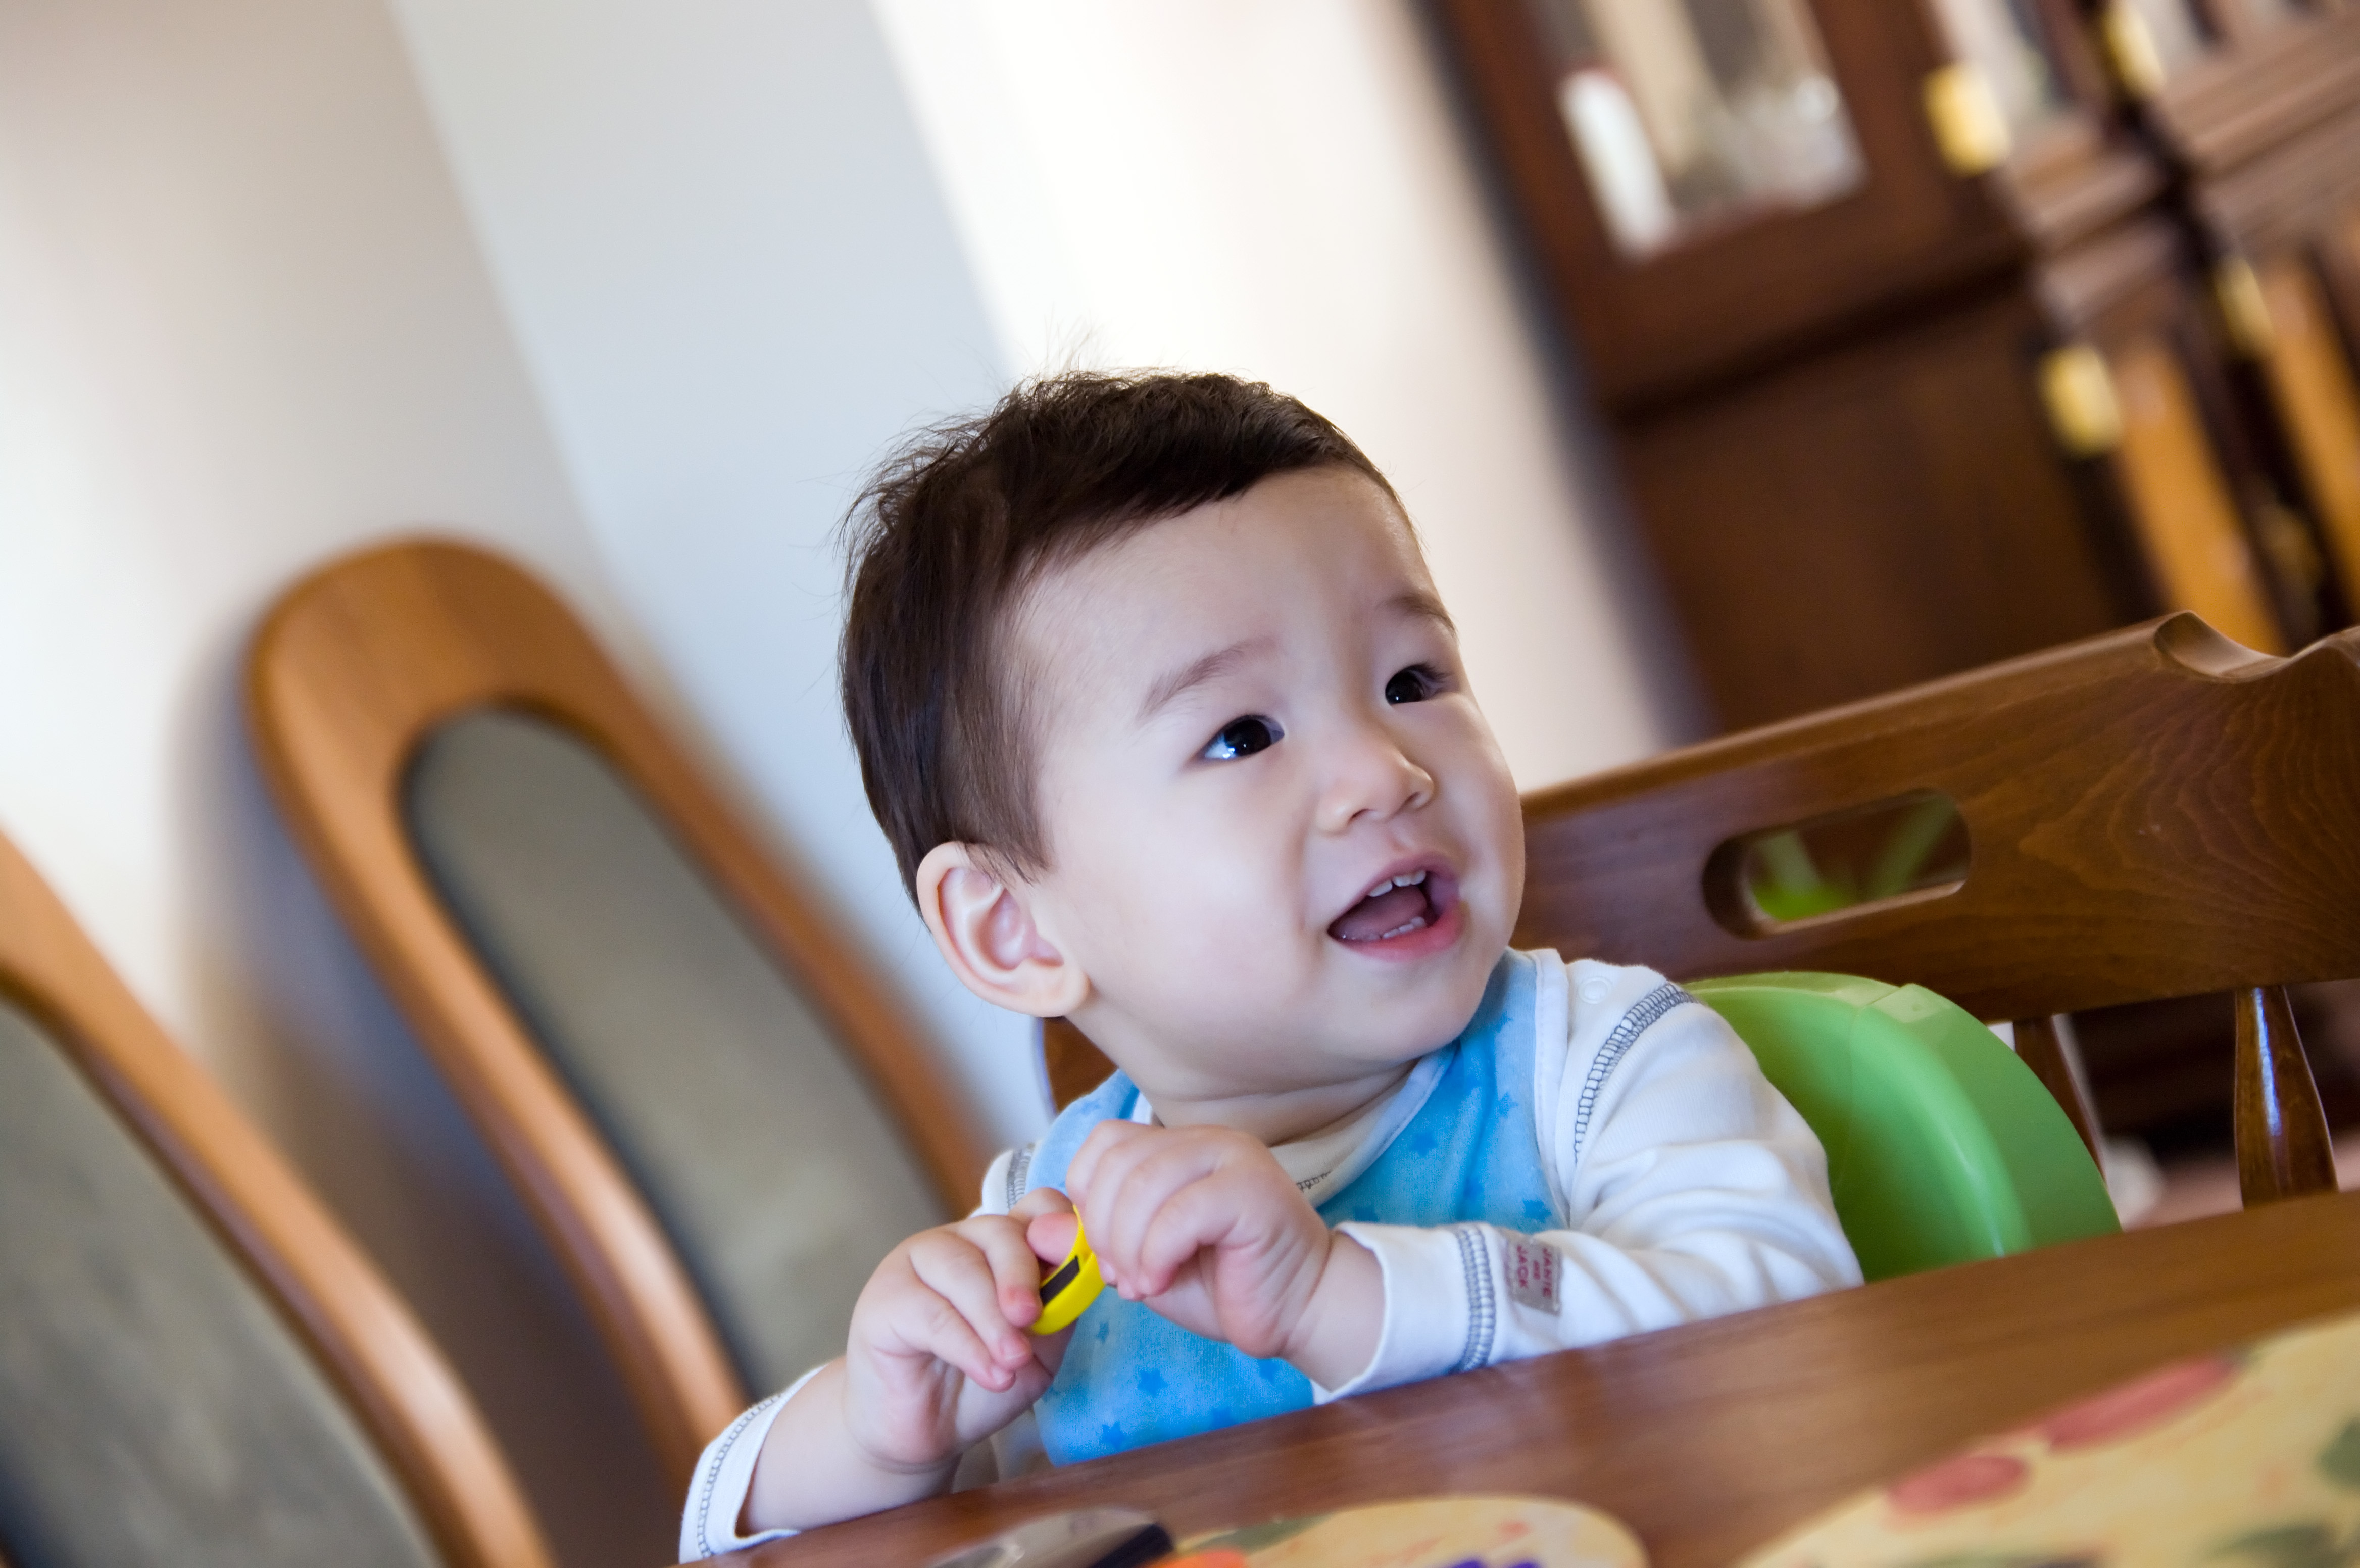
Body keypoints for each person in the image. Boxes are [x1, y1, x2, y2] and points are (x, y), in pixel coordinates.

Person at [678, 372, 1859, 1557]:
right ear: (1014, 929)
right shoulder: (1049, 1241)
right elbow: (716, 1539)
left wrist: (1337, 1294)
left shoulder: (1595, 1066)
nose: (1386, 771)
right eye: (1242, 735)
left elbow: (1790, 1320)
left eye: (1411, 681)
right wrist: (880, 1435)